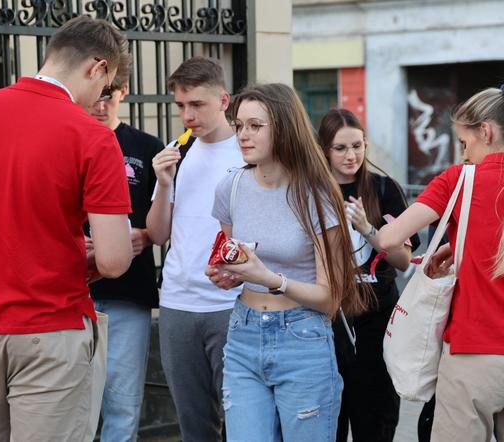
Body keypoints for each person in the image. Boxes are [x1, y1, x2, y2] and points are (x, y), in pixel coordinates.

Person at [0, 16, 133, 442]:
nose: (100, 98)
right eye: (105, 86)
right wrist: (83, 252)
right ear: (98, 67)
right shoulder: (92, 137)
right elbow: (113, 260)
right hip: (51, 326)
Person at [374, 82, 504, 442]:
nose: (463, 155)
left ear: (486, 131)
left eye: (465, 144)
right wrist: (463, 246)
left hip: (475, 353)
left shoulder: (459, 180)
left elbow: (388, 239)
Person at [206, 83, 372, 441]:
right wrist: (227, 274)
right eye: (239, 126)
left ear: (282, 127)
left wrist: (270, 278)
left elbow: (331, 298)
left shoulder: (316, 194)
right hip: (243, 334)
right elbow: (236, 260)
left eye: (255, 126)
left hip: (302, 337)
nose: (243, 135)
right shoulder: (230, 188)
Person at [145, 56, 243, 442]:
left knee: (241, 419)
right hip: (177, 303)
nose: (187, 115)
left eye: (197, 105)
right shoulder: (176, 150)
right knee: (193, 423)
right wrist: (164, 183)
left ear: (223, 100)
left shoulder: (247, 151)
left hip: (231, 303)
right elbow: (157, 234)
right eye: (180, 106)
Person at [317, 108, 420, 442]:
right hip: (327, 325)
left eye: (358, 146)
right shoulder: (311, 191)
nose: (352, 155)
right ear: (324, 150)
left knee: (374, 425)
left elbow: (404, 260)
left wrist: (367, 228)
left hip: (378, 324)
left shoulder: (383, 188)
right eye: (341, 148)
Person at [85, 70, 164, 441]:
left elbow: (166, 218)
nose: (100, 106)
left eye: (109, 96)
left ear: (125, 91)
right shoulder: (68, 138)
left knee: (122, 399)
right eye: (95, 96)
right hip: (72, 290)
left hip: (128, 290)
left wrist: (146, 235)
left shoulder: (147, 147)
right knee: (72, 401)